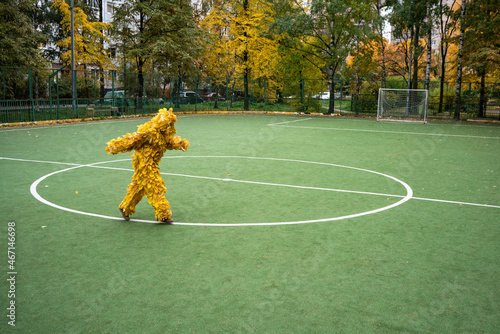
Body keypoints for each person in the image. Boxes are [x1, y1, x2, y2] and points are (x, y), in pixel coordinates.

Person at [105, 108, 189, 223]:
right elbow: (132, 140)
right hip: (144, 164)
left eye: (169, 124)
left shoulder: (163, 134)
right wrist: (115, 146)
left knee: (139, 187)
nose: (168, 126)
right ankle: (163, 214)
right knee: (155, 185)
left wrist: (178, 144)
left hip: (152, 163)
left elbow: (167, 143)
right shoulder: (149, 131)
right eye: (166, 123)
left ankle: (125, 207)